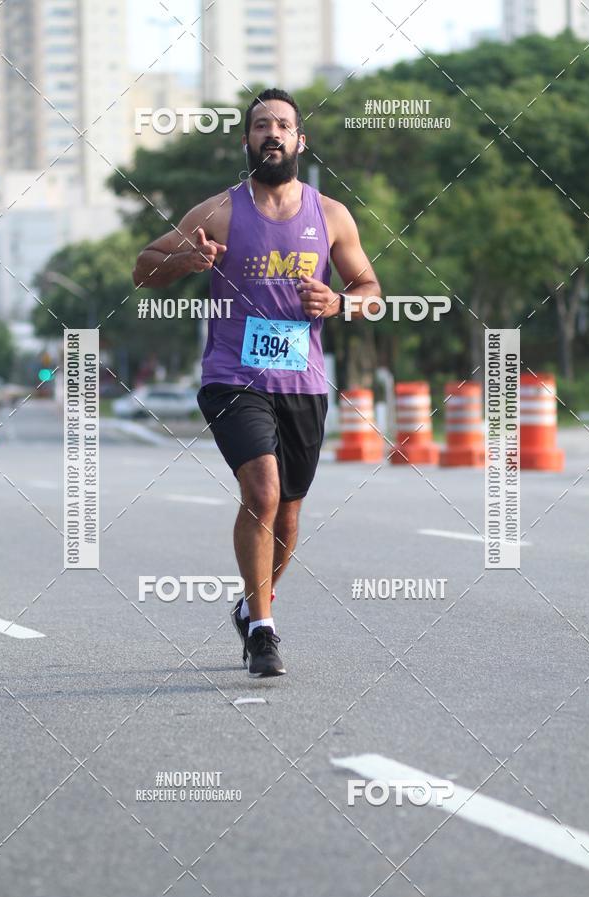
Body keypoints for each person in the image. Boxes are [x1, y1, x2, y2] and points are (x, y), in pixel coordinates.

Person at [133, 88, 381, 677]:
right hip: (233, 377)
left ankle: (251, 605)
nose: (273, 133)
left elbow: (372, 295)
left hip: (302, 382)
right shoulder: (217, 211)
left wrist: (339, 305)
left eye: (283, 125)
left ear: (301, 141)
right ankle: (264, 633)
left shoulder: (331, 215)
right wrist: (186, 262)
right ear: (247, 140)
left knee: (290, 514)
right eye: (261, 125)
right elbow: (144, 270)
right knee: (263, 493)